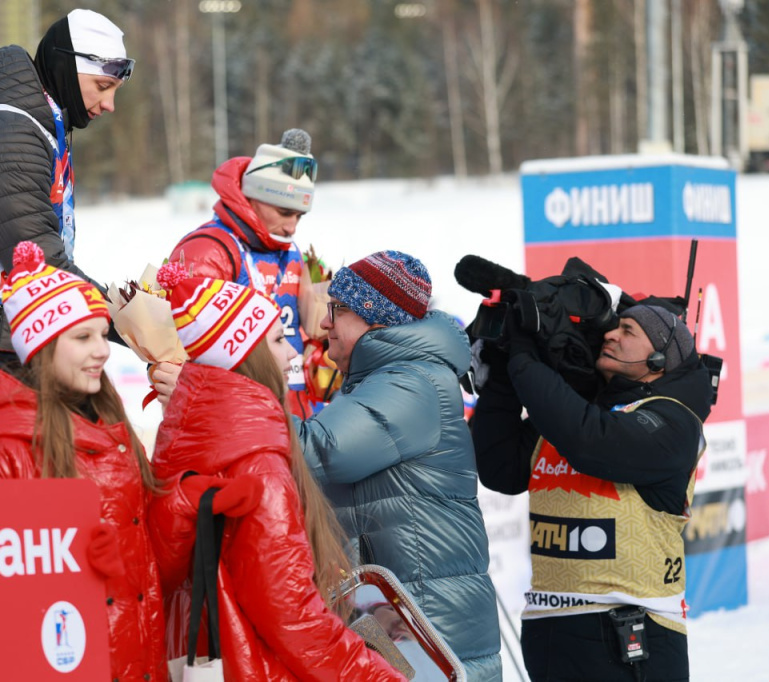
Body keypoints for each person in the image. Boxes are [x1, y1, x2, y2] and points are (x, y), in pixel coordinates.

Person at [147, 262, 407, 680]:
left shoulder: (191, 429)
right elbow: (292, 614)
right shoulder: (256, 460)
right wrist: (377, 676)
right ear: (244, 355)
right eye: (277, 340)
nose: (292, 352)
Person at [0, 9, 135, 473]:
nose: (110, 105)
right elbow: (36, 260)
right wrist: (130, 323)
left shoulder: (38, 126)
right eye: (104, 86)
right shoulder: (6, 130)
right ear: (69, 69)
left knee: (24, 527)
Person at [0, 241, 166, 681]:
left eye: (102, 335)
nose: (103, 351)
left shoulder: (109, 419)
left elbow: (145, 535)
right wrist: (74, 568)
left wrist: (191, 502)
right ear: (42, 345)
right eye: (83, 337)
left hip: (136, 658)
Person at [471, 303, 713, 681]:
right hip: (550, 630)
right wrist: (502, 375)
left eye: (629, 331)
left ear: (661, 357)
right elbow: (500, 470)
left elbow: (592, 444)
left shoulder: (673, 418)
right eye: (614, 327)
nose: (612, 334)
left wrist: (524, 354)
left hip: (632, 635)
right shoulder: (577, 412)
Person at [293, 250, 503, 681]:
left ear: (376, 319)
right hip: (402, 619)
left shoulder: (410, 382)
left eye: (339, 309)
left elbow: (318, 451)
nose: (325, 322)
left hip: (426, 628)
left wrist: (232, 397)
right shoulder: (387, 379)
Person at [153, 128, 320, 417]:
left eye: (298, 216)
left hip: (292, 414)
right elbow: (170, 347)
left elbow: (305, 331)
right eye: (284, 212)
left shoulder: (290, 250)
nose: (292, 227)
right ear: (253, 198)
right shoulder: (209, 249)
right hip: (238, 417)